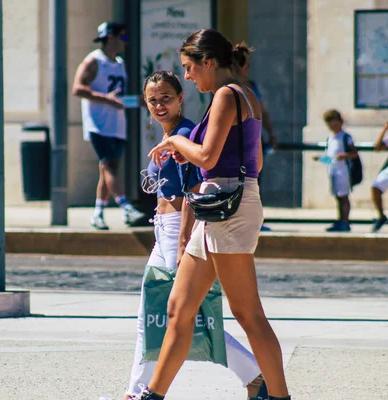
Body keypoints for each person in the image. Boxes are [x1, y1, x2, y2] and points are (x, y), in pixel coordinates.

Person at [136, 29, 291, 400]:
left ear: (208, 62)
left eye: (190, 68)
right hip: (220, 206)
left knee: (247, 313)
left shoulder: (225, 95)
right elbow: (254, 159)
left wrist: (175, 142)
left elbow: (206, 157)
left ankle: (280, 397)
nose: (187, 76)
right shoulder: (245, 94)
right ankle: (152, 395)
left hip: (226, 209)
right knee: (178, 307)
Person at [110, 71, 267, 400]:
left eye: (166, 97)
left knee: (189, 317)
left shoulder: (186, 134)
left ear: (181, 98)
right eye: (152, 100)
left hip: (178, 234)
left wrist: (182, 244)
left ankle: (255, 374)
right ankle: (136, 390)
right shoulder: (172, 134)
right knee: (156, 313)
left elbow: (191, 195)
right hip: (162, 231)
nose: (159, 105)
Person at [72, 21, 145, 230]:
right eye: (122, 37)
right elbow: (78, 89)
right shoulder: (93, 61)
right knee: (110, 165)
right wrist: (106, 99)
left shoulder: (119, 62)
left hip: (117, 124)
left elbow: (117, 97)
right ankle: (126, 208)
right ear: (111, 37)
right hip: (99, 124)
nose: (125, 41)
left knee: (107, 168)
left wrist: (135, 101)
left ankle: (98, 213)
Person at [234, 48, 277, 232]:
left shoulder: (252, 87)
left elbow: (263, 112)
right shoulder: (229, 90)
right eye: (246, 65)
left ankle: (255, 220)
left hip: (254, 141)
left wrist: (271, 132)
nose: (248, 69)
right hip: (237, 144)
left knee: (255, 180)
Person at [312, 109, 358, 232]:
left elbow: (354, 153)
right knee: (338, 197)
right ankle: (340, 219)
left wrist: (344, 155)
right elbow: (330, 157)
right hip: (333, 170)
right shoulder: (330, 138)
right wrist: (320, 158)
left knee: (344, 196)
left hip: (343, 171)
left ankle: (345, 221)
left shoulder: (346, 137)